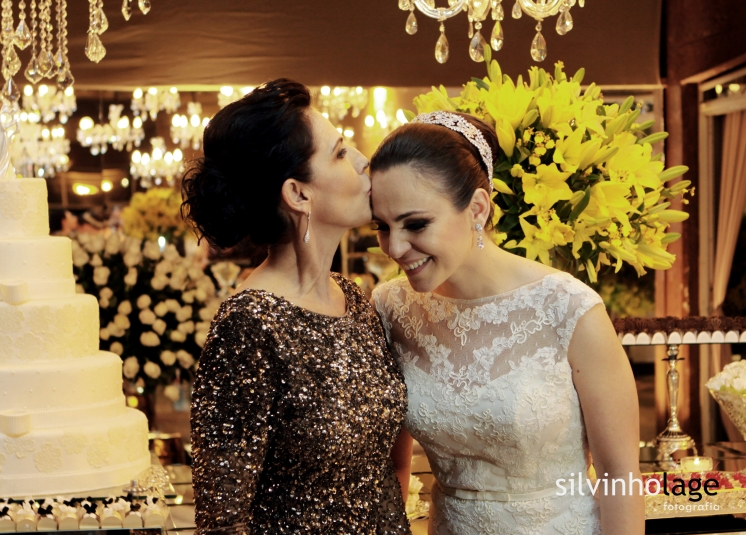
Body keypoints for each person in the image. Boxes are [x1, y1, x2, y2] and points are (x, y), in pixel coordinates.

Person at [369, 111, 644, 535]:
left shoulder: (568, 308)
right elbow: (392, 468)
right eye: (382, 227)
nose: (395, 247)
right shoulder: (389, 308)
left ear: (477, 208)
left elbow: (619, 475)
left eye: (416, 224)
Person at [182, 79, 411, 535]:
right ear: (298, 194)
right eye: (341, 153)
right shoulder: (249, 326)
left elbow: (381, 473)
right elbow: (222, 521)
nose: (363, 160)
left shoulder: (354, 300)